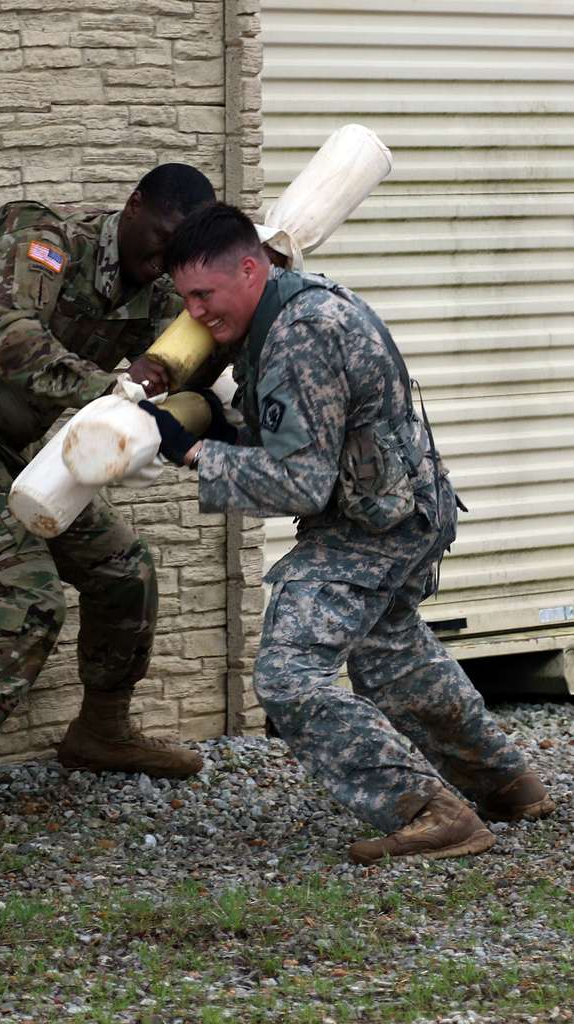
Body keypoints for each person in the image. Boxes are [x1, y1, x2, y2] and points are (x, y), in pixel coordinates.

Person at [140, 202, 555, 865]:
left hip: (372, 525)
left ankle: (428, 812)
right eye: (184, 299)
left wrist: (195, 454)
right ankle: (506, 784)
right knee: (390, 652)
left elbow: (298, 484)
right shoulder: (293, 305)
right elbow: (309, 436)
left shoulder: (300, 336)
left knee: (288, 677)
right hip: (408, 507)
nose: (193, 314)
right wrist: (225, 429)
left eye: (202, 295)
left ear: (249, 269)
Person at [0, 164, 218, 839]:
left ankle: (100, 731)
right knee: (27, 594)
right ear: (132, 205)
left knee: (126, 567)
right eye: (161, 239)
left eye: (180, 253)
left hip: (14, 452)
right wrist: (114, 390)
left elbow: (196, 372)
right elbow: (11, 340)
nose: (163, 260)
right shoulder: (40, 238)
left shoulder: (162, 298)